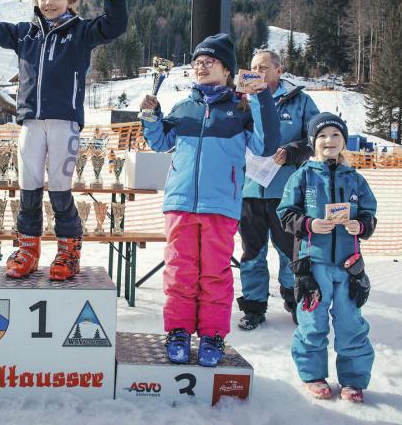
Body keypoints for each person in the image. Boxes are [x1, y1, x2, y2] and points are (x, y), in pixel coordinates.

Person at [0, 0, 127, 280]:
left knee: (59, 189)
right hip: (29, 122)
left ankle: (68, 251)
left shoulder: (81, 32)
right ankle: (27, 247)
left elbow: (115, 24)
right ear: (34, 0)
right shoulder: (23, 34)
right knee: (28, 189)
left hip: (64, 123)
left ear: (71, 0)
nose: (49, 2)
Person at [140, 34, 280, 367]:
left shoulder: (240, 107)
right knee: (179, 271)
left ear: (227, 70)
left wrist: (260, 98)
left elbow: (265, 145)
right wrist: (151, 117)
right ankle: (177, 331)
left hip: (220, 205)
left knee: (215, 274)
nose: (201, 67)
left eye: (209, 62)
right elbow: (160, 142)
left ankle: (213, 334)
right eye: (197, 63)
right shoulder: (184, 105)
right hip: (180, 202)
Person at [277, 113, 376, 403]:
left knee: (350, 323)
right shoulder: (302, 175)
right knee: (312, 323)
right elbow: (285, 213)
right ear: (313, 142)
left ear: (344, 141)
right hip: (313, 264)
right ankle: (314, 375)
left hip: (348, 266)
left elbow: (369, 214)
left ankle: (353, 380)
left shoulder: (355, 179)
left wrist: (362, 225)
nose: (329, 141)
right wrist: (309, 224)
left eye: (335, 135)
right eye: (322, 136)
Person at [237, 50, 319, 330]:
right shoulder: (242, 101)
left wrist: (293, 151)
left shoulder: (300, 101)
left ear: (278, 70)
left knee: (289, 251)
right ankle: (254, 306)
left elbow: (316, 137)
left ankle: (294, 300)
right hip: (250, 190)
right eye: (253, 67)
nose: (258, 71)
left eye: (263, 67)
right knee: (252, 253)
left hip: (285, 191)